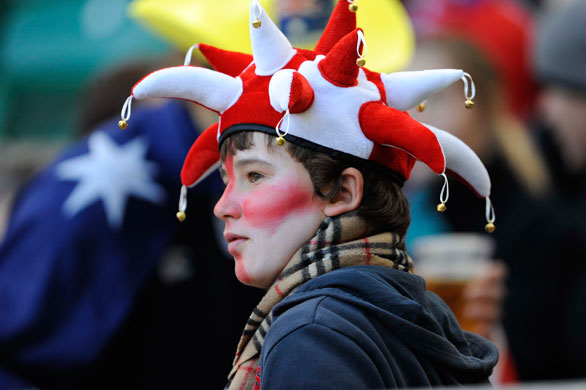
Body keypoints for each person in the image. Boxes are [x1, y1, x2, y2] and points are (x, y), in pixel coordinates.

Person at [122, 1, 499, 388]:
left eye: (255, 175)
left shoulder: (312, 335)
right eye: (225, 179)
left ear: (342, 191)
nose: (223, 206)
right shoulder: (424, 311)